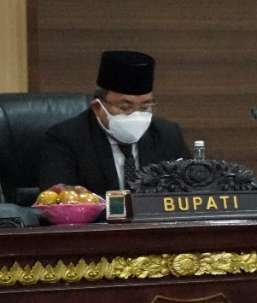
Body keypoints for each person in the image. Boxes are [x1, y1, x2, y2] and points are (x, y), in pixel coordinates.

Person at [38, 50, 190, 195]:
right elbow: (59, 202)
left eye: (145, 107)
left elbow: (191, 191)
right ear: (97, 107)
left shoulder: (167, 135)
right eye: (125, 107)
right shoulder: (66, 139)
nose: (136, 115)